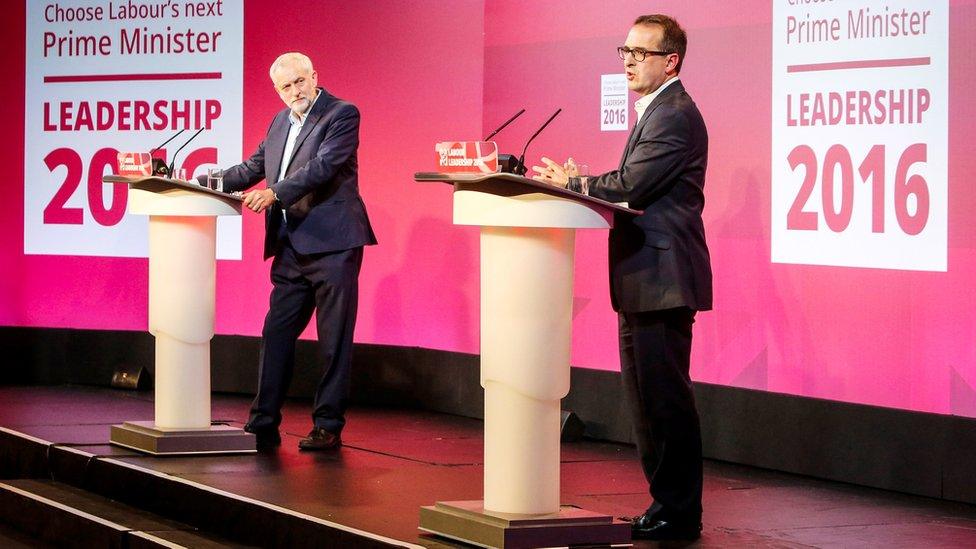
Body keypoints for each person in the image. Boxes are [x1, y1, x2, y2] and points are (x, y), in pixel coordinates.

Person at [532, 15, 711, 541]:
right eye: (624, 51)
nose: (628, 60)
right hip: (643, 277)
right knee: (645, 401)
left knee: (664, 400)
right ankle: (667, 504)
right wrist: (581, 184)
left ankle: (679, 510)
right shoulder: (656, 110)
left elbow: (633, 184)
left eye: (639, 52)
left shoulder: (675, 113)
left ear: (670, 61)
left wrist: (576, 182)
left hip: (663, 278)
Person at [204, 52, 376, 451]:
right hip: (291, 245)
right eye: (287, 86)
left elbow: (323, 167)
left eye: (301, 81)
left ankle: (328, 424)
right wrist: (205, 181)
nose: (296, 91)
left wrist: (274, 194)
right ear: (277, 91)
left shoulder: (342, 114)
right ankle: (263, 420)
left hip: (334, 244)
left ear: (314, 76)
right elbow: (253, 166)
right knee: (276, 332)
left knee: (334, 339)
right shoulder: (280, 121)